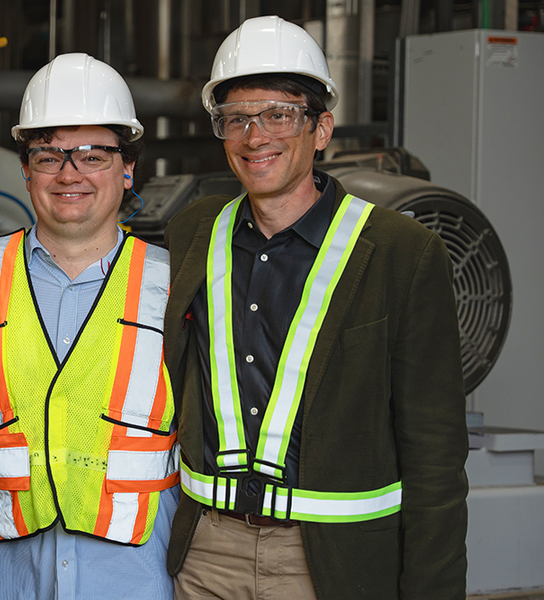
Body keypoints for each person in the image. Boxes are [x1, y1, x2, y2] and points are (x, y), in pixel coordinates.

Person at [163, 16, 469, 600]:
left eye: (279, 114)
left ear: (321, 127)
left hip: (332, 562)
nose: (256, 137)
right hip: (206, 554)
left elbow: (436, 456)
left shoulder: (404, 253)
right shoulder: (192, 232)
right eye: (237, 119)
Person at [0, 53, 179, 599]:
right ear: (26, 169)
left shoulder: (174, 285)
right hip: (6, 580)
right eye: (49, 154)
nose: (69, 173)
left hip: (134, 582)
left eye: (92, 155)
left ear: (128, 168)